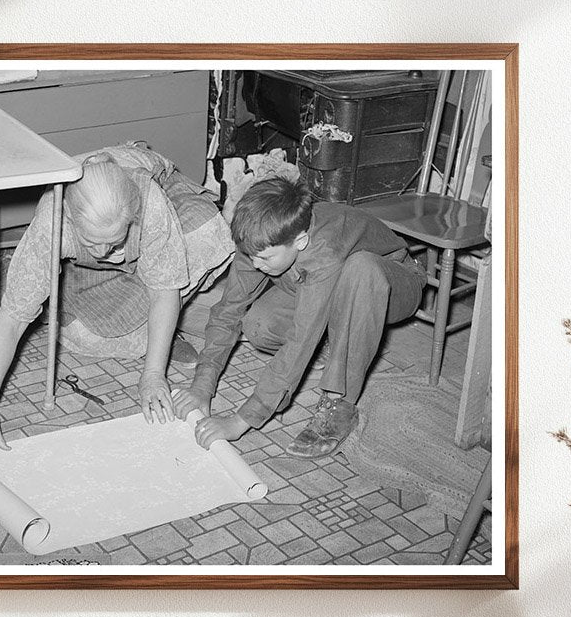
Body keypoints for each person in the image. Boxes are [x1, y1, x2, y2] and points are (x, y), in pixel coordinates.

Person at [0, 145, 234, 463]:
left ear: (132, 217)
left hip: (161, 201)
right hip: (95, 257)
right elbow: (12, 318)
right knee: (102, 338)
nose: (102, 253)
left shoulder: (150, 201)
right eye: (92, 243)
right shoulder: (52, 222)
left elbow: (164, 290)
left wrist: (154, 374)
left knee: (210, 235)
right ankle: (156, 317)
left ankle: (172, 317)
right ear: (70, 219)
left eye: (114, 241)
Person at [173, 176, 426, 459]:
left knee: (361, 268)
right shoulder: (261, 240)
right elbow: (228, 310)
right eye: (251, 256)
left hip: (391, 283)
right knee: (259, 323)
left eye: (265, 259)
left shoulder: (322, 253)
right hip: (327, 281)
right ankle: (334, 343)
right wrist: (202, 385)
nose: (255, 265)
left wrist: (241, 420)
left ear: (300, 241)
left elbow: (299, 341)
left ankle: (339, 402)